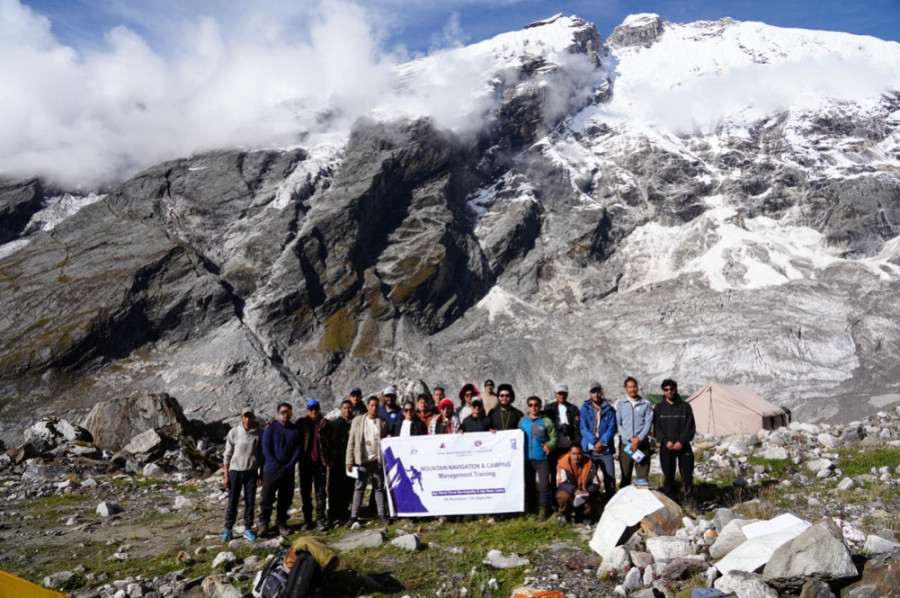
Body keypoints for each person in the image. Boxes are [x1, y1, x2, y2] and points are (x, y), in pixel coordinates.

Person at [346, 395, 390, 528]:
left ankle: (382, 515)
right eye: (372, 405)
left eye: (377, 405)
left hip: (377, 460)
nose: (374, 408)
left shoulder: (383, 421)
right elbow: (351, 441)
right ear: (367, 406)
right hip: (362, 461)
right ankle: (354, 516)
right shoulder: (358, 421)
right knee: (359, 488)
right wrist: (349, 460)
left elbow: (385, 439)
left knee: (378, 488)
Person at [259, 402, 302, 537]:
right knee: (267, 497)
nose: (285, 415)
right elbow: (266, 448)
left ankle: (281, 522)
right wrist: (275, 464)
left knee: (286, 498)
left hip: (288, 470)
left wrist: (290, 465)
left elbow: (298, 449)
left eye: (288, 412)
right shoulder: (270, 429)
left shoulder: (295, 430)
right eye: (283, 412)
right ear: (278, 414)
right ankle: (264, 523)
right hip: (271, 470)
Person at [222, 406, 263, 541]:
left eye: (250, 416)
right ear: (241, 417)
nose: (248, 418)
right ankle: (228, 529)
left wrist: (260, 474)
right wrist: (226, 476)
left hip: (251, 472)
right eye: (245, 416)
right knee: (232, 501)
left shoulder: (259, 433)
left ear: (253, 417)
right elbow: (227, 455)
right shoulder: (234, 432)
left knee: (250, 502)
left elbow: (261, 455)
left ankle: (248, 528)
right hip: (235, 471)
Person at [653, 379, 696, 506]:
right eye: (666, 389)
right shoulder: (659, 408)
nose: (669, 391)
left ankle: (690, 500)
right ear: (663, 391)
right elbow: (656, 428)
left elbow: (690, 426)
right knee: (668, 475)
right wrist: (665, 441)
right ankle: (670, 502)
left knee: (687, 475)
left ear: (676, 390)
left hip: (683, 447)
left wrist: (682, 441)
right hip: (667, 447)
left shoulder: (685, 407)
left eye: (672, 389)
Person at [297, 399, 334, 532]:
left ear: (319, 409)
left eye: (316, 409)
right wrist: (271, 423)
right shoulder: (301, 423)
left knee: (320, 493)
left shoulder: (326, 424)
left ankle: (320, 519)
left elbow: (332, 443)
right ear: (307, 411)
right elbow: (287, 426)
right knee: (305, 493)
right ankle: (307, 520)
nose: (314, 411)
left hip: (320, 464)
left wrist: (330, 459)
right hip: (305, 464)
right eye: (311, 409)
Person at [520, 396, 558, 520]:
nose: (533, 407)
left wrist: (549, 445)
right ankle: (531, 509)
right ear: (527, 407)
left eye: (536, 405)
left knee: (544, 486)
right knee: (529, 485)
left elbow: (554, 437)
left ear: (540, 406)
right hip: (527, 459)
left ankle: (543, 510)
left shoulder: (547, 421)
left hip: (542, 459)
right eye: (530, 405)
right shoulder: (522, 421)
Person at [580, 381, 617, 501]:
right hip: (588, 450)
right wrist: (595, 442)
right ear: (589, 393)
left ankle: (610, 503)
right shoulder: (585, 408)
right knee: (587, 479)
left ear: (601, 392)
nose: (596, 394)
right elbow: (583, 428)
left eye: (598, 391)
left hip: (605, 450)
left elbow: (612, 428)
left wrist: (602, 442)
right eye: (593, 392)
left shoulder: (609, 409)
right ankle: (590, 505)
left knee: (610, 478)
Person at [543, 383, 581, 496]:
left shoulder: (573, 409)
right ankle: (554, 496)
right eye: (559, 393)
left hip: (568, 446)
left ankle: (570, 493)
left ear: (567, 394)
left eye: (564, 393)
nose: (561, 396)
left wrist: (576, 444)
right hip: (554, 446)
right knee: (553, 471)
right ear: (555, 394)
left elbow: (577, 428)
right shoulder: (548, 408)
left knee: (568, 471)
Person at [615, 377, 653, 487]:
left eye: (634, 387)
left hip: (643, 444)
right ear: (626, 389)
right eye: (630, 387)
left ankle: (641, 500)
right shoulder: (620, 404)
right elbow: (618, 423)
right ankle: (624, 502)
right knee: (625, 476)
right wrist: (630, 438)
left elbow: (648, 423)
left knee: (643, 478)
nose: (632, 389)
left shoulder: (645, 404)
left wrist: (639, 439)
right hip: (627, 445)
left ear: (637, 387)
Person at [555, 444, 602, 525]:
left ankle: (585, 515)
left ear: (582, 454)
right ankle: (565, 514)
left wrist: (588, 492)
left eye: (579, 454)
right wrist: (574, 490)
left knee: (596, 497)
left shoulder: (589, 464)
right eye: (574, 454)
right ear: (569, 453)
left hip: (584, 492)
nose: (576, 457)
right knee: (563, 496)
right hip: (570, 492)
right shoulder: (562, 463)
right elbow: (561, 482)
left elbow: (596, 482)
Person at [328, 399, 355, 526]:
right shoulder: (335, 424)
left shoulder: (356, 423)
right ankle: (332, 514)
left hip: (351, 462)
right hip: (337, 462)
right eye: (345, 408)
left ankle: (344, 512)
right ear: (341, 409)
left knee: (348, 488)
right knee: (334, 489)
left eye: (349, 408)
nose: (347, 410)